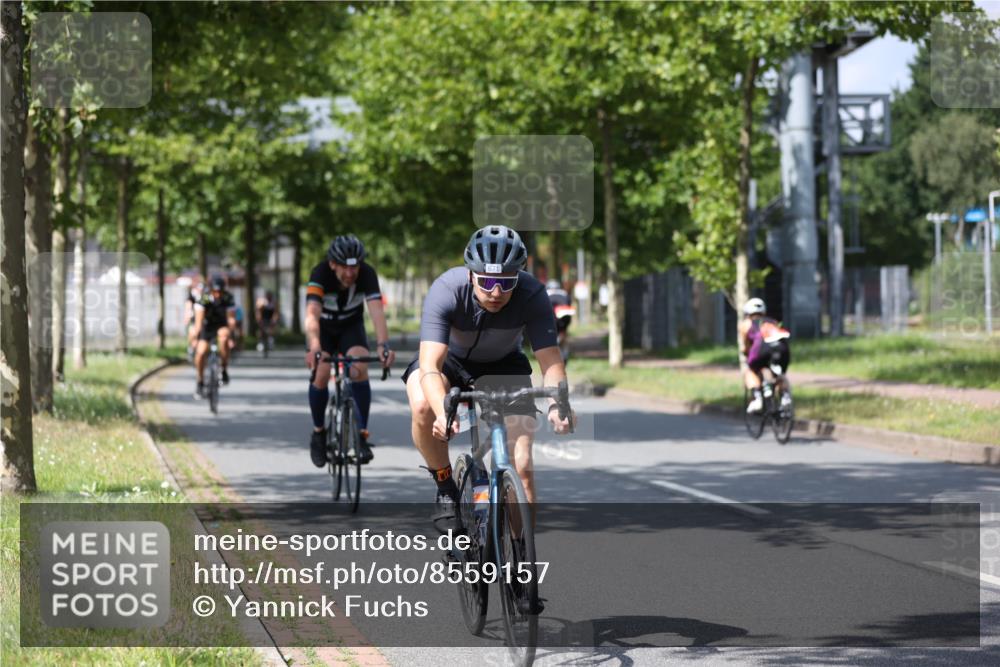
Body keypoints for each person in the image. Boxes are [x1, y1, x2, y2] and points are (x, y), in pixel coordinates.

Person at [403, 225, 575, 527]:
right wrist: (443, 412)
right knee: (423, 405)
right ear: (471, 275)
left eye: (506, 283)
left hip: (504, 365)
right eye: (487, 281)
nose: (496, 292)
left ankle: (521, 553)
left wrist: (557, 405)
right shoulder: (446, 290)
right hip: (450, 363)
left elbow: (550, 360)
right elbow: (430, 365)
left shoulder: (532, 294)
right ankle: (445, 486)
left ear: (518, 277)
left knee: (522, 465)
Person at [304, 235, 395, 467]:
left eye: (354, 267)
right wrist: (314, 345)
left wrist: (383, 345)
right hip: (323, 329)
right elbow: (312, 314)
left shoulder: (367, 274)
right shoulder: (320, 274)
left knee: (359, 367)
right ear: (332, 264)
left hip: (350, 328)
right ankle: (318, 433)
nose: (350, 273)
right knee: (322, 371)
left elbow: (376, 312)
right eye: (344, 267)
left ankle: (361, 434)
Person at [739, 297, 792, 413]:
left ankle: (757, 397)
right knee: (779, 374)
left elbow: (745, 346)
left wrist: (746, 353)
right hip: (783, 348)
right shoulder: (773, 322)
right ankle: (785, 397)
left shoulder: (746, 324)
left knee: (750, 371)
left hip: (762, 348)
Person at [192, 275, 237, 398]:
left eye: (220, 291)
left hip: (221, 325)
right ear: (211, 290)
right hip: (207, 327)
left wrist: (231, 336)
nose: (217, 294)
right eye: (215, 291)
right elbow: (198, 322)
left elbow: (231, 319)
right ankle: (200, 381)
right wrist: (195, 338)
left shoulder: (228, 298)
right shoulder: (204, 298)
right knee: (200, 352)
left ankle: (223, 369)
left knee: (224, 337)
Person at [546, 279, 575, 363]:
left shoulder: (545, 293)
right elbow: (569, 304)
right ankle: (564, 356)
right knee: (563, 335)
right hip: (564, 317)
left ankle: (552, 356)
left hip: (551, 318)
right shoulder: (564, 293)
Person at [184, 278, 205, 361]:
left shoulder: (205, 297)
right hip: (194, 319)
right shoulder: (192, 296)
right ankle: (191, 348)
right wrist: (187, 317)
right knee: (192, 332)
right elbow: (188, 307)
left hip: (204, 320)